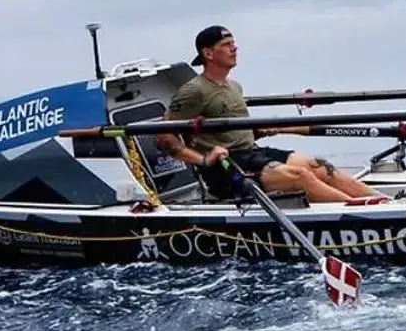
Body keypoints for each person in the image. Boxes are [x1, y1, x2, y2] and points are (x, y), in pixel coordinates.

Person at [155, 25, 386, 204]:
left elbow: (234, 129)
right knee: (299, 176)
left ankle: (384, 202)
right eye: (226, 44)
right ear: (208, 53)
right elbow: (164, 137)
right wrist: (204, 159)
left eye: (234, 43)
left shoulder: (234, 86)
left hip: (253, 154)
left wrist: (263, 130)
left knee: (317, 165)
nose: (234, 48)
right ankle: (360, 210)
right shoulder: (194, 90)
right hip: (227, 169)